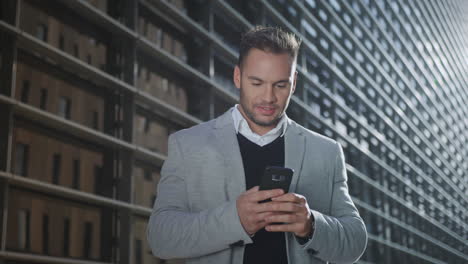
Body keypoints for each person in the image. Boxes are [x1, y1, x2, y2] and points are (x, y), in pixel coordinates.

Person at [147, 26, 367, 264]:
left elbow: (354, 242)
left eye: (280, 85)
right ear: (238, 77)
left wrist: (311, 224)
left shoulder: (326, 152)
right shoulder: (187, 145)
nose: (268, 97)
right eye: (257, 83)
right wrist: (235, 220)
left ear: (293, 83)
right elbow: (161, 238)